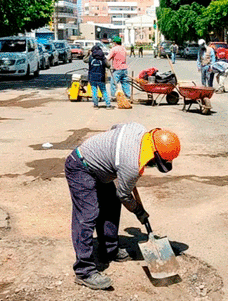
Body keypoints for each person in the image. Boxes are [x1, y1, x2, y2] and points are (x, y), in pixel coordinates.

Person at [65, 122, 181, 290]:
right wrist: (139, 211)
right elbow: (124, 195)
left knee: (112, 205)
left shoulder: (137, 128)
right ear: (153, 157)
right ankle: (84, 271)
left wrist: (113, 156)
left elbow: (115, 127)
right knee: (87, 215)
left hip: (101, 169)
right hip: (80, 167)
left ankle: (109, 250)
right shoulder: (131, 166)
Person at [88, 45, 112, 109]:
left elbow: (84, 60)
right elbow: (109, 65)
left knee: (94, 91)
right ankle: (108, 105)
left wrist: (88, 54)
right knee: (104, 91)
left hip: (92, 77)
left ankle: (96, 105)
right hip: (101, 77)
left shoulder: (90, 57)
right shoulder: (103, 58)